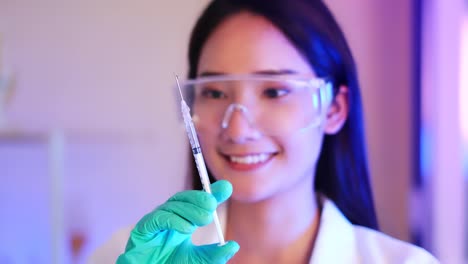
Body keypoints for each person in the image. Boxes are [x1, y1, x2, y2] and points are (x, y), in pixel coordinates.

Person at [89, 0, 439, 263]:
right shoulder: (124, 255)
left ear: (333, 109)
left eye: (274, 91)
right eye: (214, 92)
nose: (238, 129)